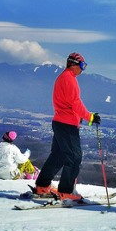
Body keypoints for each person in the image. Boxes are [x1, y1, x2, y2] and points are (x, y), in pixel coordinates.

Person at [33, 52, 100, 201]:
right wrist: (90, 117)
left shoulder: (64, 77)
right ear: (73, 64)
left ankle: (42, 185)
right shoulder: (69, 79)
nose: (83, 70)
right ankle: (66, 191)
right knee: (74, 157)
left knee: (58, 156)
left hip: (60, 122)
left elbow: (70, 103)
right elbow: (75, 103)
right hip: (67, 125)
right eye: (83, 65)